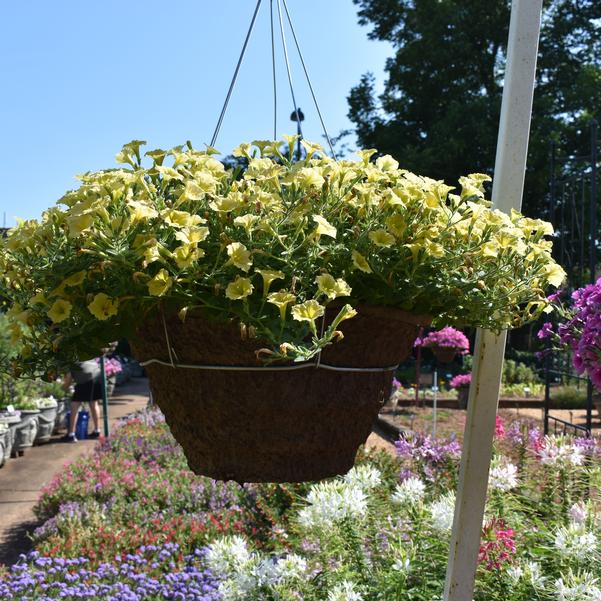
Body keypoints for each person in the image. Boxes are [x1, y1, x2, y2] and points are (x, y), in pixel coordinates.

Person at [62, 359, 103, 442]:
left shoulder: (70, 360)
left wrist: (63, 389)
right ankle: (97, 431)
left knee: (75, 404)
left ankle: (71, 435)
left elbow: (68, 380)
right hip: (97, 377)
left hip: (85, 380)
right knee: (94, 404)